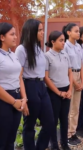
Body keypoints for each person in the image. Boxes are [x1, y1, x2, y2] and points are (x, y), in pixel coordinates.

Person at [15, 19, 55, 150]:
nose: (43, 32)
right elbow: (19, 75)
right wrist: (24, 98)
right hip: (29, 86)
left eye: (43, 29)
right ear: (31, 31)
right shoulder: (21, 49)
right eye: (40, 30)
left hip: (41, 86)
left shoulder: (38, 48)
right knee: (30, 126)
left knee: (49, 123)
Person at [0, 22, 28, 150]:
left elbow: (19, 77)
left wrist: (24, 99)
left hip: (17, 98)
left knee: (12, 138)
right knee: (2, 139)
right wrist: (13, 102)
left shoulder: (13, 55)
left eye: (15, 34)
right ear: (2, 37)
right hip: (4, 100)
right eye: (12, 34)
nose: (15, 37)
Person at [45, 31, 72, 150]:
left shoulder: (65, 54)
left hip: (66, 89)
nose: (63, 43)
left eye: (64, 40)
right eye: (61, 40)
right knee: (54, 119)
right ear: (52, 41)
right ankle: (54, 145)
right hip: (54, 92)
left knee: (64, 118)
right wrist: (58, 92)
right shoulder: (47, 56)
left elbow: (69, 72)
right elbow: (46, 77)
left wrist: (70, 89)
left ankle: (64, 143)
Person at [62, 23, 83, 146]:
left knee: (76, 107)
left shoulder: (78, 46)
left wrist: (81, 79)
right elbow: (67, 66)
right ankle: (67, 135)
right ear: (68, 32)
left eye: (78, 31)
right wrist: (75, 82)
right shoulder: (65, 46)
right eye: (76, 31)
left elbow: (80, 63)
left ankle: (73, 131)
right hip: (69, 76)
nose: (78, 33)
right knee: (69, 108)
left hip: (78, 76)